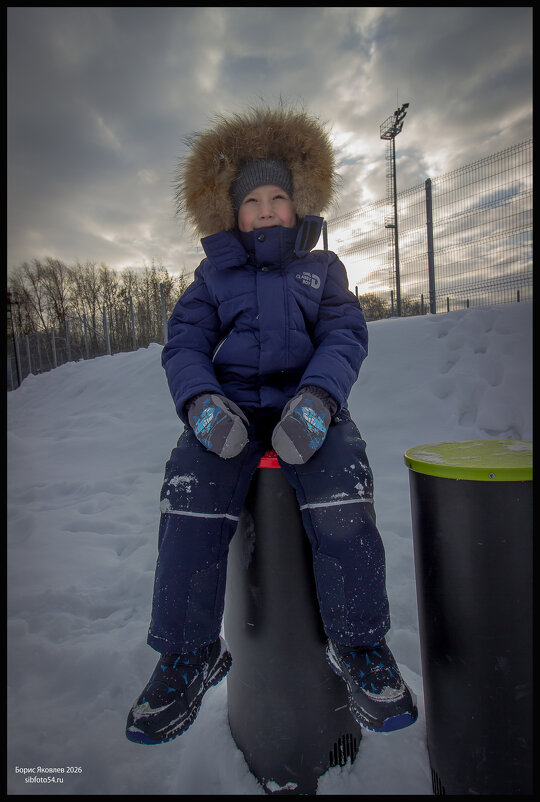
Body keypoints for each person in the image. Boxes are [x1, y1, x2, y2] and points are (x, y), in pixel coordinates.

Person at [126, 105, 417, 745]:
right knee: (190, 496)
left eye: (278, 197)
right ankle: (188, 651)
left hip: (306, 411)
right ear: (229, 212)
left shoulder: (322, 270)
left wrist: (318, 399)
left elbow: (344, 335)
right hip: (228, 412)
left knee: (343, 486)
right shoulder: (212, 275)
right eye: (251, 199)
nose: (264, 209)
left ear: (300, 203)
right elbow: (185, 346)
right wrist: (202, 404)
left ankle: (360, 643)